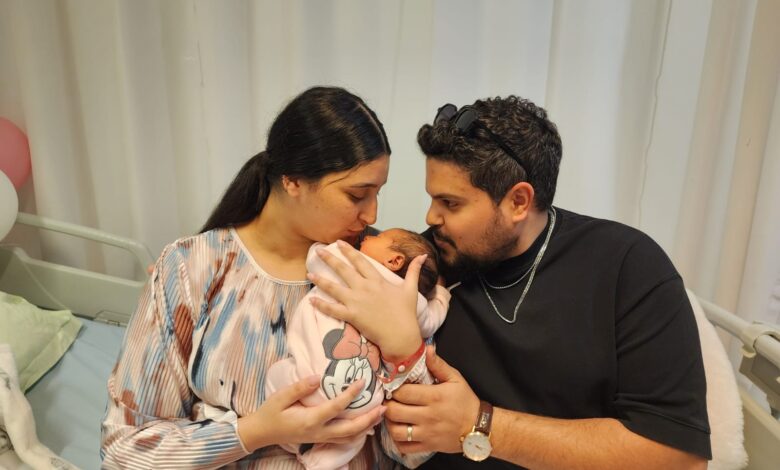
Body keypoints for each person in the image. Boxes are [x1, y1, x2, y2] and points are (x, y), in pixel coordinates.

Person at [308, 96, 712, 469]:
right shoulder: (424, 265)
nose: (431, 218)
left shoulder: (627, 266)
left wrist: (480, 424)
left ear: (518, 202)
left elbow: (680, 459)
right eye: (432, 198)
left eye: (451, 203)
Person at [100, 86, 421, 469]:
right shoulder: (193, 270)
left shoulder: (374, 270)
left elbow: (415, 448)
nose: (372, 215)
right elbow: (124, 449)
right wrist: (255, 432)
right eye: (357, 195)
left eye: (377, 193)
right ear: (293, 181)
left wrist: (407, 352)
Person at [264, 229, 449, 469]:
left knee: (275, 375)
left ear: (394, 260)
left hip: (308, 379)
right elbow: (432, 321)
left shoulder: (352, 264)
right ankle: (322, 462)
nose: (368, 236)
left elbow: (317, 257)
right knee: (353, 432)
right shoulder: (415, 302)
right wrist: (441, 294)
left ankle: (293, 445)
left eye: (379, 238)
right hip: (363, 400)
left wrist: (319, 243)